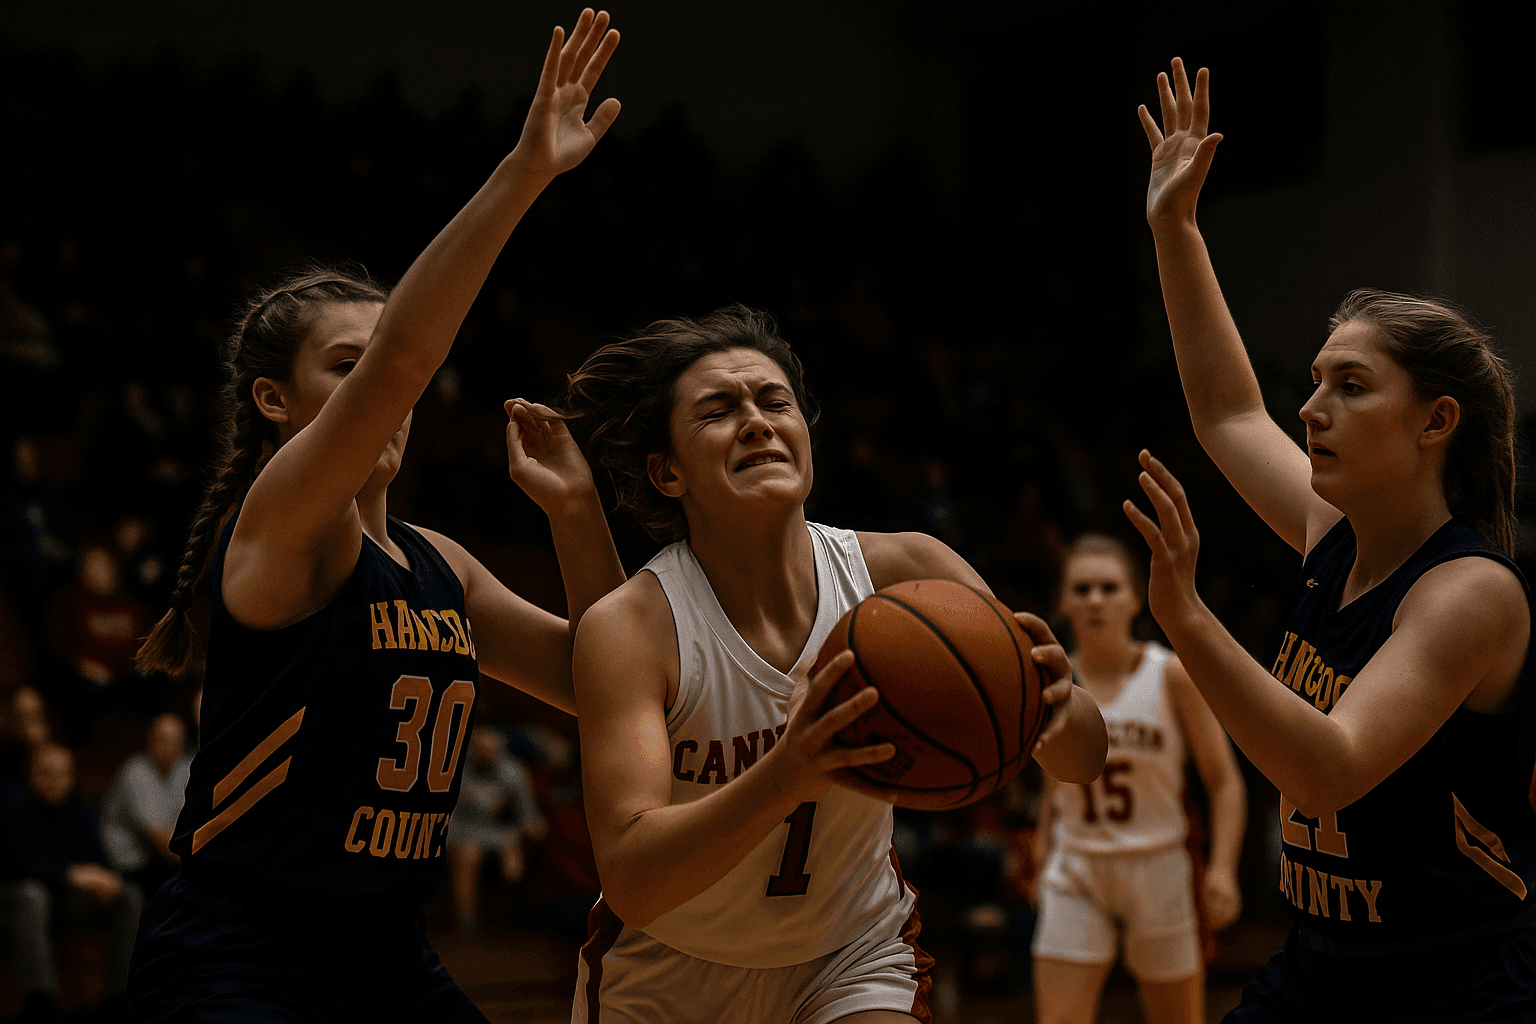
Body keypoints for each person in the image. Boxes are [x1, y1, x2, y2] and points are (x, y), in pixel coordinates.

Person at [124, 11, 626, 1021]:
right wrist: (523, 173)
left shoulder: (443, 563)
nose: (383, 392)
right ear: (275, 400)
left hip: (388, 950)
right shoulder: (285, 524)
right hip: (242, 953)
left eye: (374, 366)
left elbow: (607, 682)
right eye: (346, 369)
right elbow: (407, 358)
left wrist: (576, 512)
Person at [1125, 59, 1536, 1021]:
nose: (1311, 409)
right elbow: (1228, 412)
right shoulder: (1338, 536)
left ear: (1436, 422)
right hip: (1321, 967)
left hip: (1452, 985)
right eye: (1315, 381)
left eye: (1351, 386)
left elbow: (1327, 770)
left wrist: (1188, 620)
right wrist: (1176, 230)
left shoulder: (1469, 593)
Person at [563, 305, 1109, 1024]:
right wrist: (786, 774)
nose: (756, 422)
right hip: (668, 967)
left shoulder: (909, 572)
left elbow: (1083, 760)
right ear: (667, 473)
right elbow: (634, 880)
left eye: (775, 402)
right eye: (719, 411)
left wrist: (1055, 706)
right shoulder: (632, 627)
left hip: (851, 951)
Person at [1031, 534, 1246, 1024]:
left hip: (1159, 864)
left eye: (1109, 588)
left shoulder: (1171, 674)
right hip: (1078, 867)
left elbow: (1224, 781)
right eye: (1082, 589)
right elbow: (1052, 783)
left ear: (1134, 599)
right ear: (1063, 603)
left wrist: (1222, 868)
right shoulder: (1049, 679)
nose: (1095, 600)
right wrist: (1042, 851)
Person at [0, 743, 143, 1024]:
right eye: (47, 773)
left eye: (62, 774)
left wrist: (106, 878)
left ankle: (119, 998)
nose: (55, 781)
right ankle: (40, 1001)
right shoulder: (13, 805)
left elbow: (96, 859)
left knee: (128, 894)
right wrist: (67, 873)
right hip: (18, 897)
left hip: (65, 898)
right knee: (33, 894)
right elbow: (18, 863)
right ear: (31, 774)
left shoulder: (76, 808)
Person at [445, 726, 547, 930]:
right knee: (468, 855)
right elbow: (448, 811)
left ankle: (513, 918)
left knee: (513, 861)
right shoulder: (456, 769)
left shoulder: (514, 772)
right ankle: (467, 919)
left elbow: (527, 812)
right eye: (480, 749)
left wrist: (531, 827)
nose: (486, 755)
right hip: (463, 830)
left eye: (490, 750)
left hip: (500, 831)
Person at [99, 712, 193, 898]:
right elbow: (160, 842)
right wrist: (206, 861)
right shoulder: (135, 772)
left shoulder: (184, 769)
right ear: (149, 739)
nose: (167, 746)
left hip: (162, 861)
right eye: (162, 739)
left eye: (175, 740)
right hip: (128, 865)